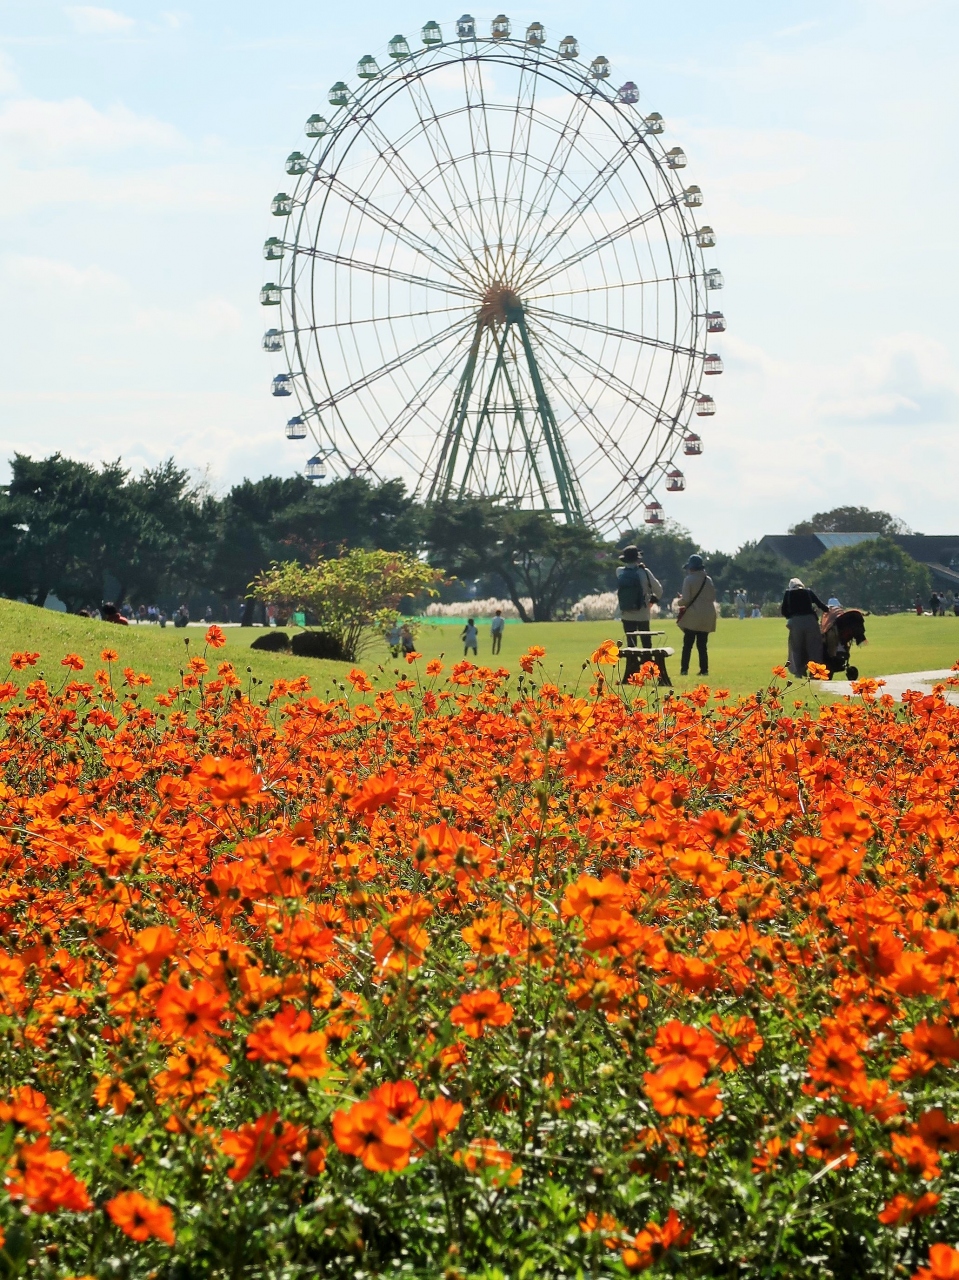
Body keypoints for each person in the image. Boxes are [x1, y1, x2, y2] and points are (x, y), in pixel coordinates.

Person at [616, 545, 663, 651]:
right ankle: (648, 665)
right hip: (643, 612)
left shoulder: (619, 572)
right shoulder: (644, 572)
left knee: (631, 645)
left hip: (626, 613)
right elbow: (659, 590)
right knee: (646, 644)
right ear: (637, 558)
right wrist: (652, 600)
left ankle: (631, 666)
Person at [676, 554, 716, 677]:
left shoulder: (689, 579)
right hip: (707, 616)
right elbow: (712, 597)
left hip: (693, 615)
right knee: (702, 646)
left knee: (687, 645)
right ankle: (704, 669)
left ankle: (684, 669)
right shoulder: (708, 579)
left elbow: (686, 599)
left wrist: (679, 601)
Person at [781, 577, 828, 676]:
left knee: (796, 648)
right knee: (813, 647)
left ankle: (799, 671)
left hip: (795, 622)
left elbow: (784, 611)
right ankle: (814, 671)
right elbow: (820, 605)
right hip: (810, 621)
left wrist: (791, 616)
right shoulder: (808, 592)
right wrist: (828, 610)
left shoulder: (788, 594)